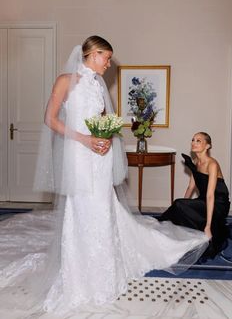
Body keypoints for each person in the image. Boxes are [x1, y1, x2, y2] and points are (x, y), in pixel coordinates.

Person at [0, 36, 209, 318]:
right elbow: (50, 119)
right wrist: (84, 139)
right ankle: (80, 275)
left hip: (99, 156)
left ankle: (104, 272)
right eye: (106, 58)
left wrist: (105, 138)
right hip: (78, 153)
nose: (109, 64)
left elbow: (101, 122)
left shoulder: (98, 85)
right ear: (92, 53)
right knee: (82, 209)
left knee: (101, 209)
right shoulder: (65, 80)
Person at [159, 132, 230, 258]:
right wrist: (180, 209)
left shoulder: (212, 164)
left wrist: (208, 226)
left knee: (179, 204)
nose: (194, 143)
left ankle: (161, 226)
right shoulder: (196, 162)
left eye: (198, 140)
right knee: (179, 205)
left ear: (207, 146)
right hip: (204, 200)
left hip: (218, 204)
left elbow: (210, 195)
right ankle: (165, 226)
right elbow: (191, 187)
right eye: (193, 140)